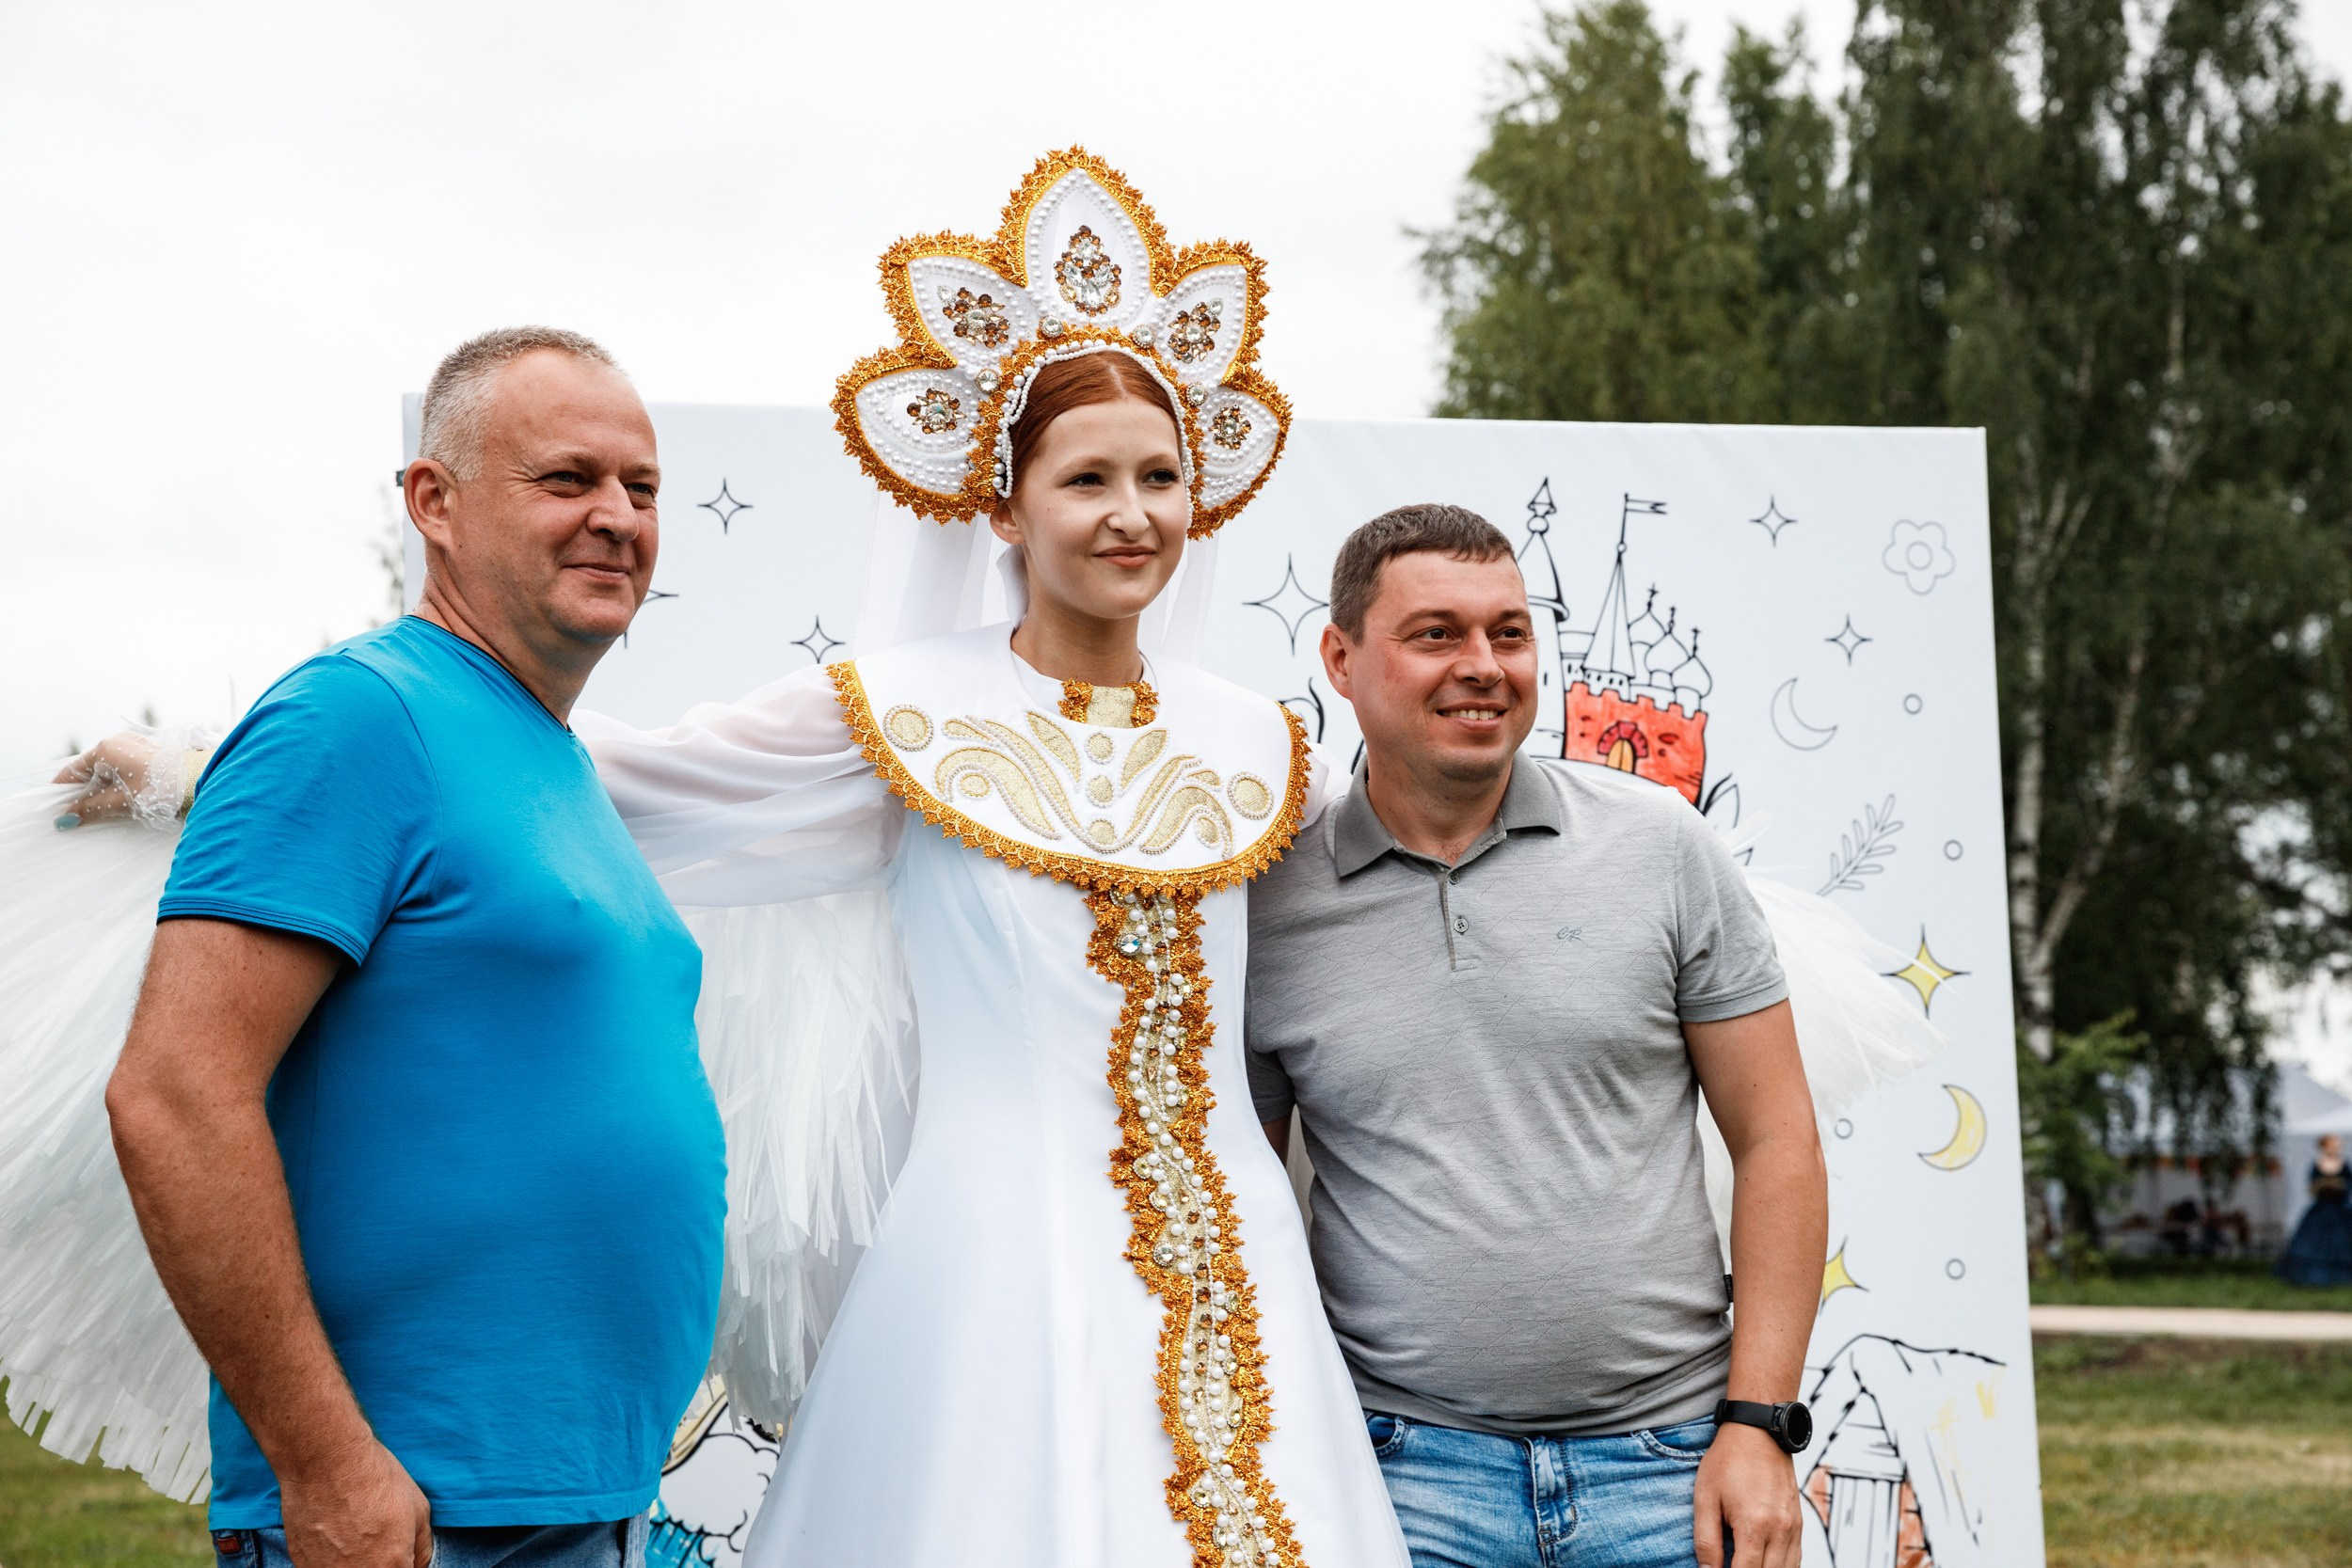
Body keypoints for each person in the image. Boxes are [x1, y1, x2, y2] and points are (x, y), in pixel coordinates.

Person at [11, 151, 1411, 1568]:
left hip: (1239, 1271)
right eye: (1088, 476)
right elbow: (605, 774)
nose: (1131, 511)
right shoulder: (896, 714)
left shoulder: (1260, 747)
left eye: (1162, 476)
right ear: (1003, 506)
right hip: (991, 1264)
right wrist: (198, 757)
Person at [13, 327, 726, 1568]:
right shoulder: (358, 711)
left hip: (583, 1500)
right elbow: (175, 1093)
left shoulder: (555, 760)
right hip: (413, 1510)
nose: (618, 515)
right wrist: (324, 1460)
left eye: (643, 487)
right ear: (433, 502)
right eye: (568, 479)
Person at [1246, 504, 1831, 1568]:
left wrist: (1759, 1423)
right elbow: (1236, 1195)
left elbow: (1776, 1136)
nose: (1483, 665)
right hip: (1394, 1473)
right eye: (1436, 633)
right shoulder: (1262, 904)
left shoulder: (1661, 847)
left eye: (1508, 633)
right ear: (1339, 656)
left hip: (1675, 1462)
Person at [2278, 1132, 2351, 1286]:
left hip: (2340, 1209)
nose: (2337, 1147)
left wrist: (2339, 1188)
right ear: (2324, 1146)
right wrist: (2323, 1187)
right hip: (2321, 1209)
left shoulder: (2343, 1165)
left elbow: (2348, 1185)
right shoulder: (2317, 1164)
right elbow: (2312, 1186)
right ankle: (2311, 1277)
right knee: (2314, 1242)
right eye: (2334, 1144)